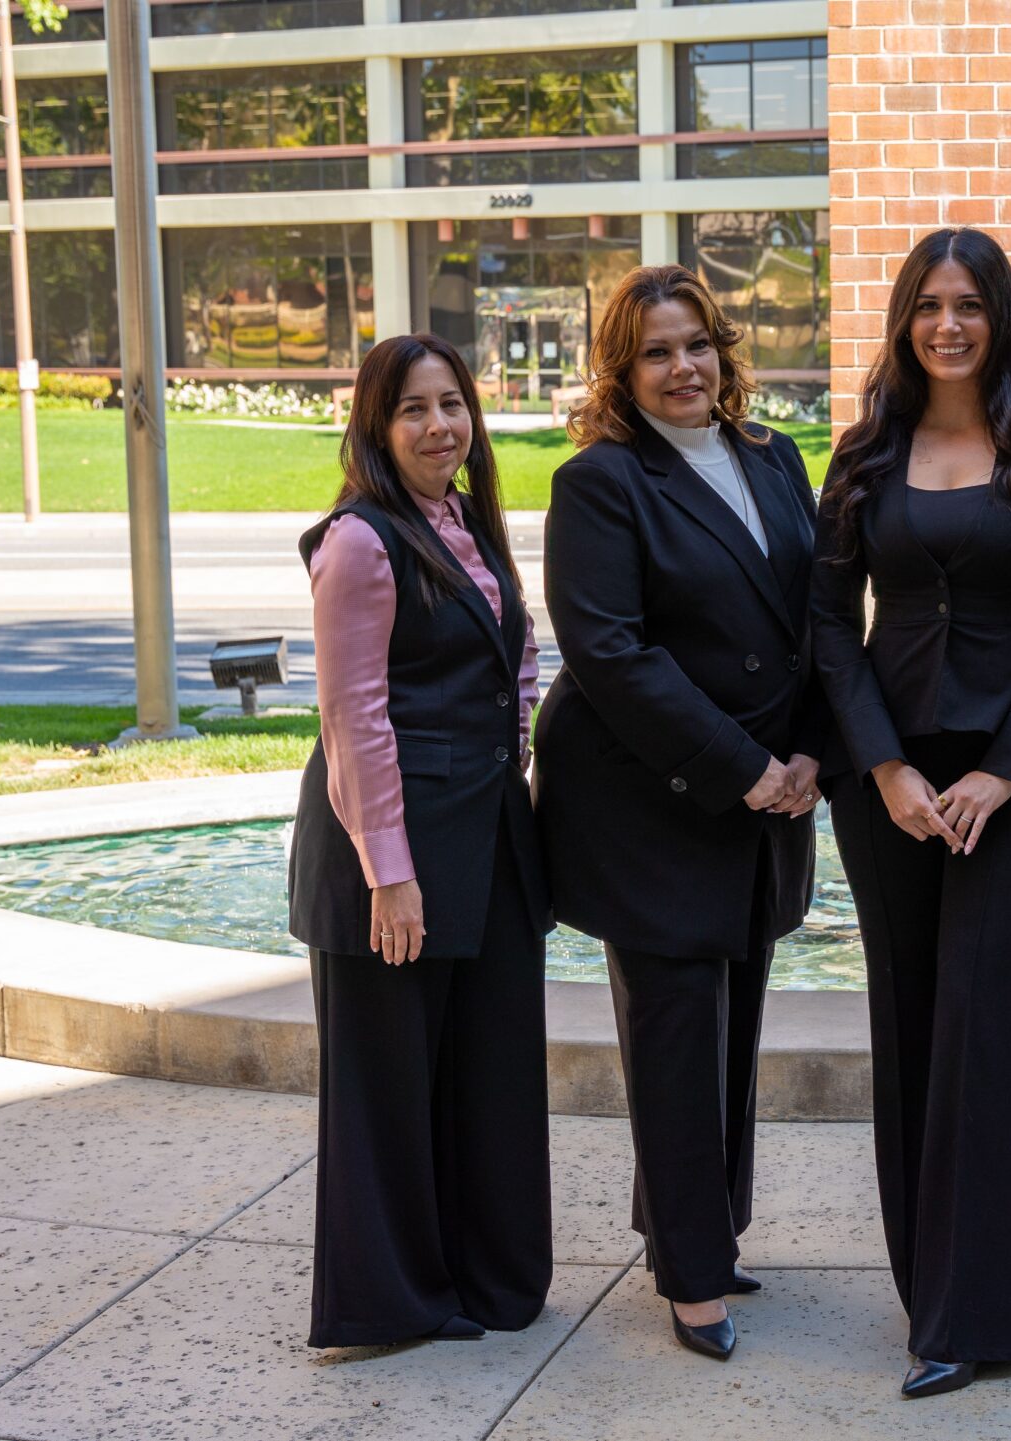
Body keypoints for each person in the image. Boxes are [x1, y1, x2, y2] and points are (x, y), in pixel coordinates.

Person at [810, 227, 1011, 1400]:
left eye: (970, 303)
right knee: (909, 1023)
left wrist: (1007, 771)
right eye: (929, 304)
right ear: (904, 319)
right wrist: (882, 767)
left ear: (1001, 319)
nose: (948, 323)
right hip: (887, 783)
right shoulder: (863, 453)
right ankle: (926, 1292)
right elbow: (829, 624)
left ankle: (973, 1319)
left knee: (978, 1026)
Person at [534, 264, 825, 1364]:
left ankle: (698, 1230)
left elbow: (817, 617)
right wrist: (742, 767)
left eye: (696, 343)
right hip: (655, 796)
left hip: (766, 791)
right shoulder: (599, 482)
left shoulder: (774, 456)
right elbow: (610, 653)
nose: (682, 367)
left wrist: (810, 753)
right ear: (621, 369)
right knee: (672, 1034)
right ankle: (693, 1278)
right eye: (655, 351)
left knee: (732, 1025)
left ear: (723, 348)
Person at [286, 333, 552, 1349]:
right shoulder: (360, 541)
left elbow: (509, 670)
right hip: (389, 851)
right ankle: (391, 1299)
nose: (440, 426)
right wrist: (388, 876)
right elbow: (353, 718)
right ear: (376, 425)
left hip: (483, 835)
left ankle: (483, 1277)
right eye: (413, 409)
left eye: (452, 404)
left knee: (485, 1070)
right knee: (388, 1085)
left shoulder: (467, 520)